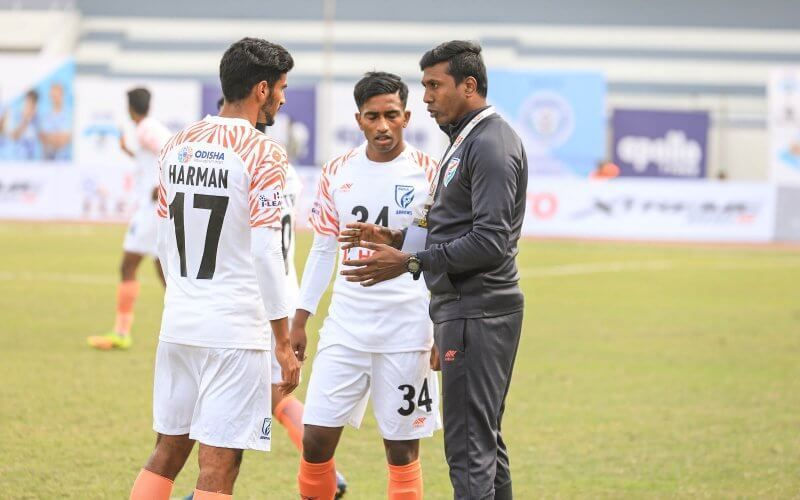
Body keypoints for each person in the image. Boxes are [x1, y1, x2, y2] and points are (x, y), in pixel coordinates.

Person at [339, 41, 528, 499]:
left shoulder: (491, 143)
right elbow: (451, 225)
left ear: (468, 85)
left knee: (468, 450)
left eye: (434, 85)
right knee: (483, 442)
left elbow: (490, 240)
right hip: (465, 309)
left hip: (477, 310)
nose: (425, 97)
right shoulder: (466, 139)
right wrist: (398, 239)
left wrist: (412, 262)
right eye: (424, 86)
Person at [128, 37, 302, 500]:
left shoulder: (177, 143)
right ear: (261, 89)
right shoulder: (265, 153)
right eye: (281, 88)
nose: (283, 98)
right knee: (220, 463)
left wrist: (183, 296)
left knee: (167, 450)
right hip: (235, 331)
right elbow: (268, 253)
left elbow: (164, 241)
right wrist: (283, 344)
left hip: (180, 322)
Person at [180, 99, 348, 500]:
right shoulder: (286, 175)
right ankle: (326, 472)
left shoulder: (250, 169)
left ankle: (207, 491)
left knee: (232, 410)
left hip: (255, 302)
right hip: (280, 295)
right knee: (268, 400)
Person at [292, 71, 440, 500]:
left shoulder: (429, 173)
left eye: (391, 115)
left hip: (408, 328)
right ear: (358, 119)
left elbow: (434, 256)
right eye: (372, 116)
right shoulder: (337, 171)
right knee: (316, 439)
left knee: (401, 449)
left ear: (406, 116)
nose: (382, 126)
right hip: (346, 327)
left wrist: (439, 325)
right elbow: (323, 251)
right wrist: (301, 319)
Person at [87, 88, 171, 350]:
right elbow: (152, 160)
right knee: (165, 274)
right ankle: (188, 327)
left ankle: (122, 333)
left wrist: (164, 184)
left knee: (128, 266)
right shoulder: (147, 129)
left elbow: (173, 151)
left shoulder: (146, 129)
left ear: (130, 108)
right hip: (155, 211)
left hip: (151, 211)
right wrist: (128, 152)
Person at [39, 82, 72, 161]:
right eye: (53, 96)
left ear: (62, 95)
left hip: (65, 162)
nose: (55, 98)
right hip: (47, 161)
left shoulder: (69, 114)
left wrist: (52, 138)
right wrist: (56, 138)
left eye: (57, 95)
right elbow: (43, 137)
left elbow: (66, 139)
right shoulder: (45, 115)